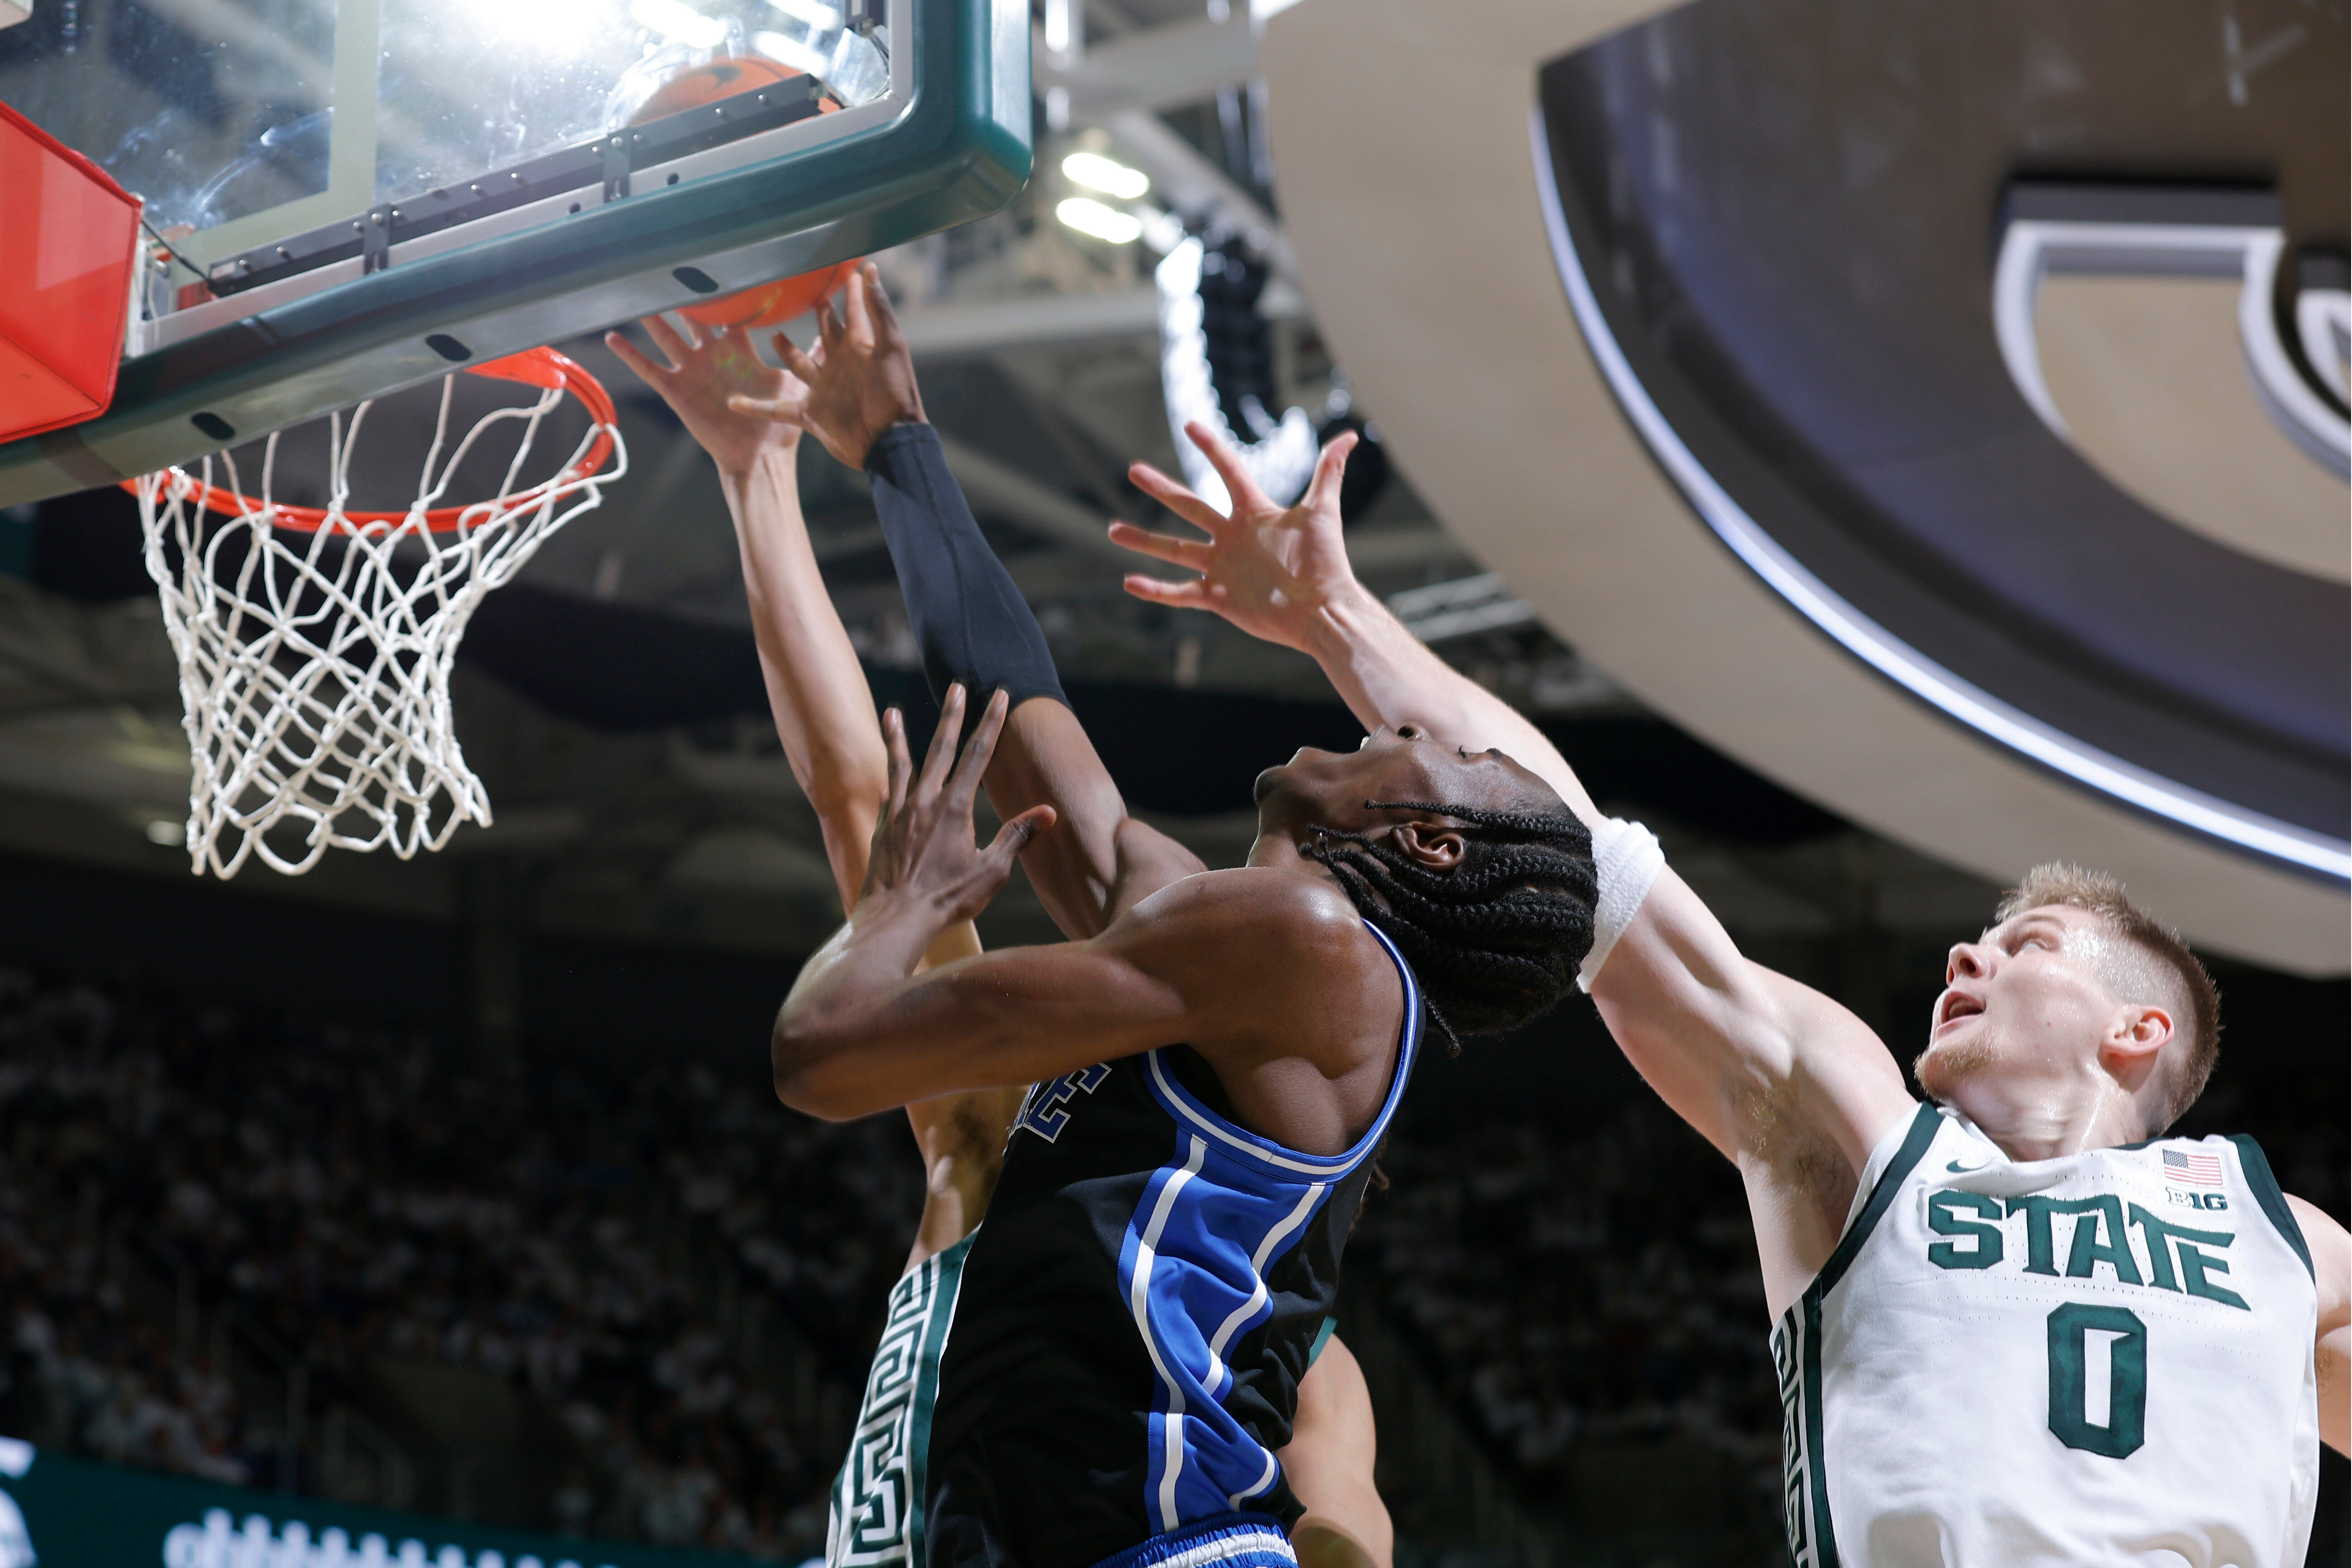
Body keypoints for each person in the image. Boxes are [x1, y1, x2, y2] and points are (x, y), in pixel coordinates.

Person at [1107, 412, 2352, 1566]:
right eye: (1977, 936)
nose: (1967, 957)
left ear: (2141, 1030)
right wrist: (1337, 618)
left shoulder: (2280, 1233)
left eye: (2029, 944)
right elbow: (1580, 858)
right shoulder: (1868, 1138)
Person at [728, 265, 1595, 1568]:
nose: (1393, 723)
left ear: (1426, 838)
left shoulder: (1311, 946)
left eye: (1422, 742)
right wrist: (898, 447)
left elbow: (822, 1053)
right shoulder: (1232, 940)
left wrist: (899, 915)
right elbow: (1022, 726)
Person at [603, 309, 1396, 1568]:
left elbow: (1345, 1535)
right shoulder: (994, 1149)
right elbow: (861, 796)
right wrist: (755, 475)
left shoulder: (1291, 1367)